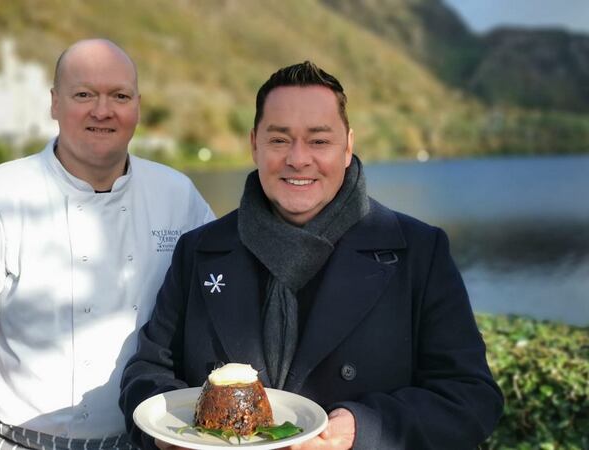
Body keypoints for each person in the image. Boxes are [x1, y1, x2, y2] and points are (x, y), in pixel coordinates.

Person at [119, 61, 503, 450]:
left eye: (319, 141)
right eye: (280, 139)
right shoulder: (200, 250)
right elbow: (149, 370)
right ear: (254, 143)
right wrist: (163, 437)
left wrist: (363, 429)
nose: (298, 159)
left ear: (348, 146)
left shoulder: (418, 251)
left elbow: (471, 398)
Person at [0, 39, 215, 450]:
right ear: (54, 103)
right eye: (83, 94)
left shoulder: (177, 194)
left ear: (137, 106)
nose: (102, 110)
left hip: (150, 442)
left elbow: (223, 304)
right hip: (23, 442)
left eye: (119, 96)